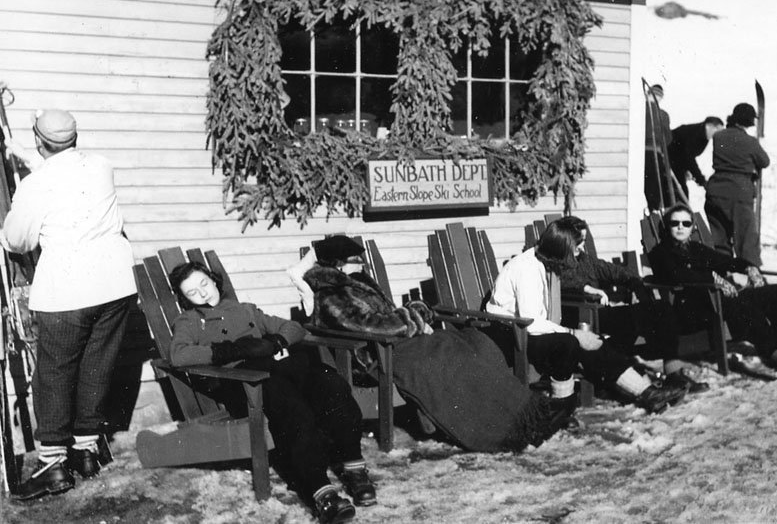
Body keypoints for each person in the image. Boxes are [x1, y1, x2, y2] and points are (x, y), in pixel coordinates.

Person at [289, 236, 563, 453]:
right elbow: (375, 326)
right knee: (445, 360)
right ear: (338, 264)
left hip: (398, 343)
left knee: (473, 345)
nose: (362, 265)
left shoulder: (355, 283)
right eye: (355, 261)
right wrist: (416, 312)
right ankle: (500, 430)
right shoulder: (331, 295)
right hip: (375, 356)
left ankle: (526, 414)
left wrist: (412, 316)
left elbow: (389, 319)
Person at [168, 260, 372, 524]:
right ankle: (322, 493)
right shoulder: (191, 321)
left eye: (204, 284)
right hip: (248, 382)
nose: (203, 293)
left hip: (280, 368)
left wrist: (276, 341)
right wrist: (229, 351)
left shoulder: (246, 310)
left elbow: (294, 327)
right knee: (293, 408)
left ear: (213, 279)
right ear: (185, 299)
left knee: (331, 384)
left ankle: (354, 468)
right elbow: (179, 354)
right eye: (193, 292)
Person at [2, 109, 137, 500]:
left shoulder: (35, 185)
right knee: (98, 363)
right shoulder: (100, 165)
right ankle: (87, 452)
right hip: (114, 282)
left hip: (68, 289)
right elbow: (64, 169)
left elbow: (18, 240)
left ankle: (53, 464)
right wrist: (23, 153)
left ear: (41, 142)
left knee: (56, 372)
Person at [486, 218, 688, 417]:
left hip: (531, 328)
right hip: (512, 335)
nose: (580, 250)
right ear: (562, 247)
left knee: (593, 342)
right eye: (576, 246)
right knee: (571, 342)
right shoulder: (526, 269)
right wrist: (574, 333)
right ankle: (560, 411)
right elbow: (530, 322)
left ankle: (648, 393)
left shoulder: (548, 263)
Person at [647, 204, 777, 387]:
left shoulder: (695, 248)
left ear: (692, 227)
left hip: (717, 300)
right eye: (674, 223)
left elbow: (726, 261)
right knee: (744, 308)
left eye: (685, 223)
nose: (680, 227)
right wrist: (712, 279)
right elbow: (676, 275)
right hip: (691, 309)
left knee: (776, 293)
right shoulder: (661, 253)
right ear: (667, 226)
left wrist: (748, 267)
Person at [558, 216, 709, 394]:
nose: (582, 246)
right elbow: (565, 283)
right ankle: (620, 377)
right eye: (579, 242)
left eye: (584, 241)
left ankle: (673, 372)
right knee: (636, 318)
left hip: (599, 313)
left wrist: (633, 281)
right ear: (566, 240)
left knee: (661, 309)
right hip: (580, 316)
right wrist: (587, 289)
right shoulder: (557, 261)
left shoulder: (584, 259)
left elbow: (612, 270)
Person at [704, 102, 768, 266]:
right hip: (739, 192)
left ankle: (721, 273)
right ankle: (751, 276)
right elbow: (764, 161)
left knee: (719, 237)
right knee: (746, 238)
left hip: (715, 190)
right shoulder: (750, 141)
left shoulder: (719, 137)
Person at [667, 116, 724, 201]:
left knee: (681, 193)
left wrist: (687, 170)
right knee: (680, 194)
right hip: (669, 161)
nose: (718, 135)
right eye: (718, 130)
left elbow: (685, 156)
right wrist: (701, 180)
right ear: (709, 126)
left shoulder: (703, 136)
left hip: (676, 163)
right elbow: (689, 157)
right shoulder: (695, 133)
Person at [644, 83, 674, 212]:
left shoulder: (640, 109)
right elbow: (667, 139)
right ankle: (654, 211)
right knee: (655, 189)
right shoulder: (663, 115)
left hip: (641, 154)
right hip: (655, 154)